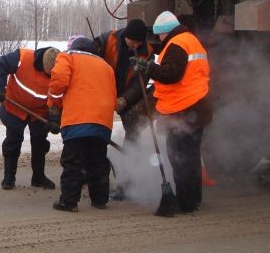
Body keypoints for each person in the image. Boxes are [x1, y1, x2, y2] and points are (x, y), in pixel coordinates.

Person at [130, 11, 212, 214]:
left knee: (179, 157)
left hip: (183, 109)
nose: (158, 39)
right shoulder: (191, 41)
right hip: (197, 107)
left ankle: (184, 202)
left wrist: (148, 68)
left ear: (165, 32)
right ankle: (193, 199)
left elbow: (171, 74)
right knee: (191, 156)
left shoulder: (176, 45)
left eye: (159, 35)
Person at [48, 37, 116, 212]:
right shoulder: (106, 66)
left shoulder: (68, 57)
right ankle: (100, 199)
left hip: (78, 118)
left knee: (73, 162)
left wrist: (54, 103)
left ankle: (69, 202)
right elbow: (113, 93)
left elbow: (59, 80)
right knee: (98, 161)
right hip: (102, 120)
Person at [0, 47, 60, 190]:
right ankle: (9, 178)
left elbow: (57, 97)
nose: (50, 76)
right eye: (48, 73)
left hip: (40, 113)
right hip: (15, 107)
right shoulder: (23, 58)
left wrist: (54, 119)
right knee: (13, 141)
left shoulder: (60, 72)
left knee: (40, 144)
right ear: (42, 65)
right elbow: (1, 64)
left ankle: (38, 178)